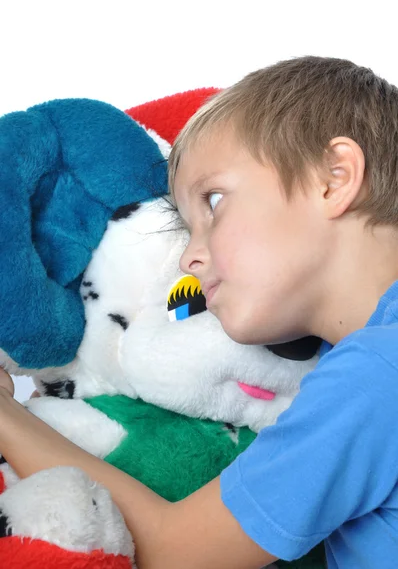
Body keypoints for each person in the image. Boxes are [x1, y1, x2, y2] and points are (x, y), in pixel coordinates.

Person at [1, 55, 398, 569]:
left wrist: (7, 417)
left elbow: (176, 550)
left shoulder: (375, 373)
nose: (191, 256)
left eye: (213, 202)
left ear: (334, 178)